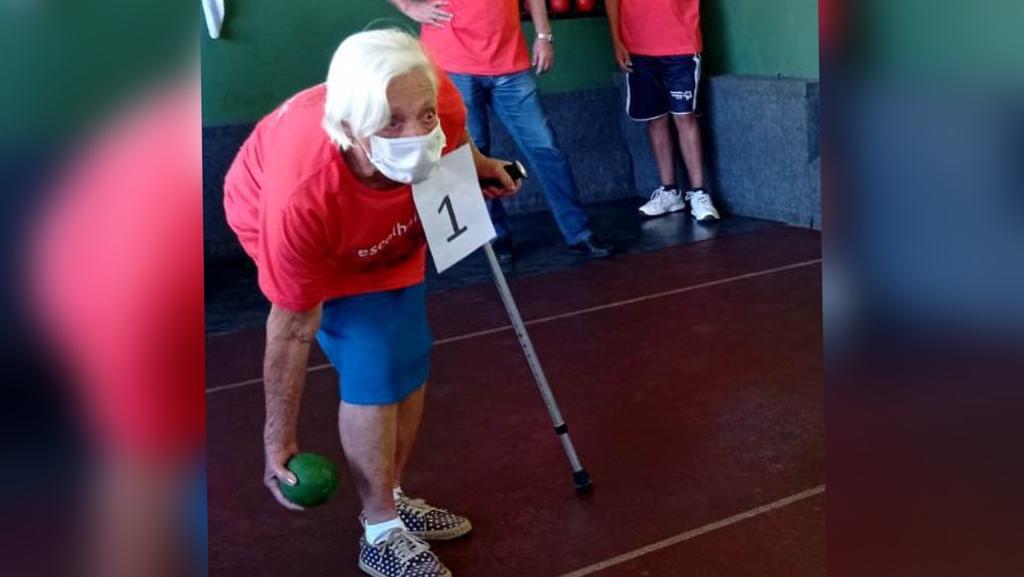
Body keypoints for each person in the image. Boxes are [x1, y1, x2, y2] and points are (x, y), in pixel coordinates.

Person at [223, 30, 519, 577]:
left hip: (391, 209)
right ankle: (381, 528)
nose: (415, 132)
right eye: (390, 122)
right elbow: (290, 330)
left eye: (422, 115)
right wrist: (278, 441)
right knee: (373, 365)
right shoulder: (300, 199)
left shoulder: (436, 98)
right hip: (311, 224)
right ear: (349, 127)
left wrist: (479, 165)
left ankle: (391, 495)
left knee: (408, 356)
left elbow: (451, 138)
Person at [392, 0, 613, 262]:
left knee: (546, 148)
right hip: (452, 63)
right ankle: (496, 235)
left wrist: (544, 36)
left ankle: (579, 232)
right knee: (474, 154)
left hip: (509, 62)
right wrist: (408, 7)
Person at [605, 0, 721, 221]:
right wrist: (616, 40)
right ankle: (669, 191)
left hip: (681, 41)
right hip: (637, 43)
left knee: (684, 116)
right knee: (655, 118)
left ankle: (699, 194)